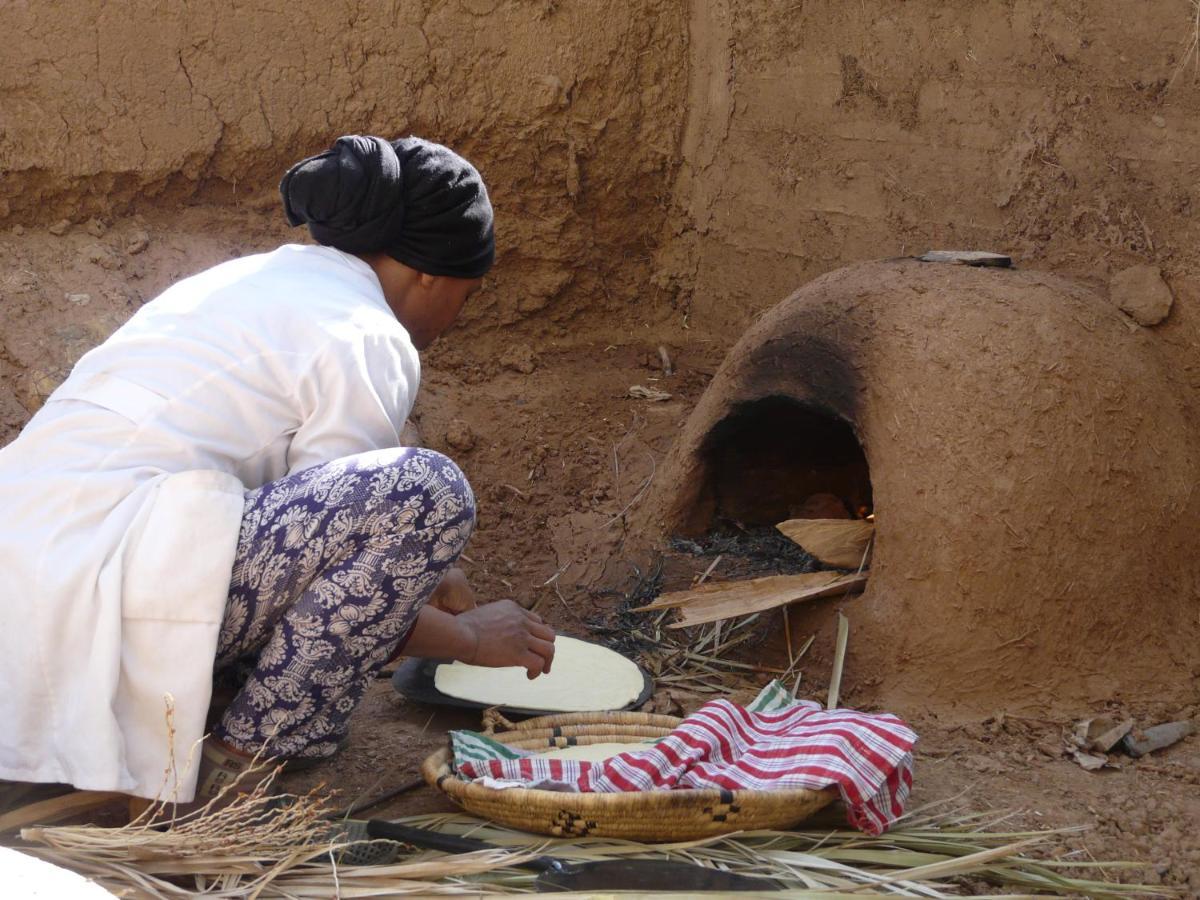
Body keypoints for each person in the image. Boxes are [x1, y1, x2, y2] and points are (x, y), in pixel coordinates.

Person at [0, 134, 556, 811]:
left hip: (37, 587)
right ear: (430, 276)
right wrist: (467, 639)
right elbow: (338, 568)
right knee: (428, 493)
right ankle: (247, 762)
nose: (456, 318)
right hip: (98, 585)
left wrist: (429, 576)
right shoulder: (369, 334)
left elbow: (297, 519)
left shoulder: (257, 282)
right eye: (466, 296)